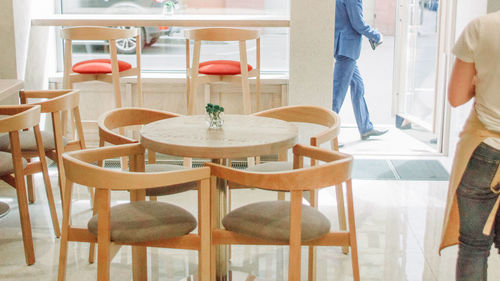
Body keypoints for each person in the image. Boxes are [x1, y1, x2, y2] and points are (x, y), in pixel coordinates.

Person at [439, 10, 500, 281]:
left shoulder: (482, 27)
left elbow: (456, 96)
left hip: (485, 148)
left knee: (474, 247)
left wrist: (482, 82)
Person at [333, 0, 388, 140]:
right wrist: (376, 36)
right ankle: (329, 137)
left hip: (345, 48)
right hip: (347, 50)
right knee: (336, 96)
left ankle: (365, 128)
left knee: (358, 87)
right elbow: (358, 23)